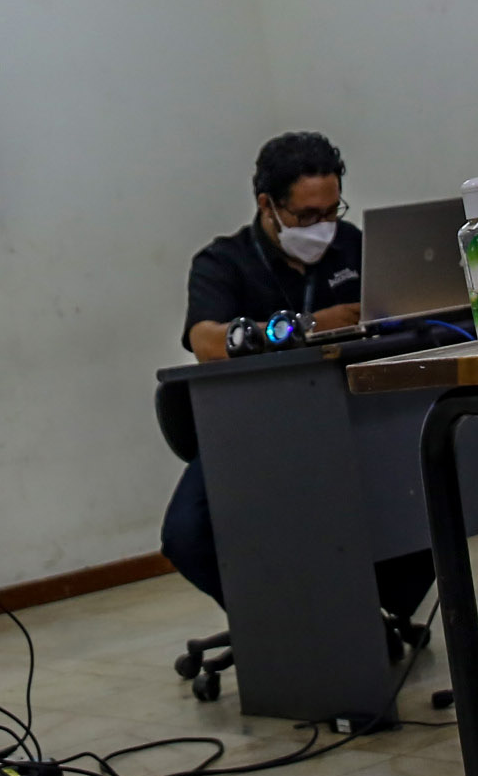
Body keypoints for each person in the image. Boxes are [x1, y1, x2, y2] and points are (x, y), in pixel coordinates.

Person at [165, 132, 434, 623]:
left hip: (354, 418)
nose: (322, 227)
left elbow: (413, 309)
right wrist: (308, 326)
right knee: (187, 534)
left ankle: (361, 616)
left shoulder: (357, 246)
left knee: (425, 492)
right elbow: (206, 341)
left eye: (332, 211)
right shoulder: (222, 262)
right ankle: (281, 624)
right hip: (252, 431)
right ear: (267, 205)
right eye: (307, 216)